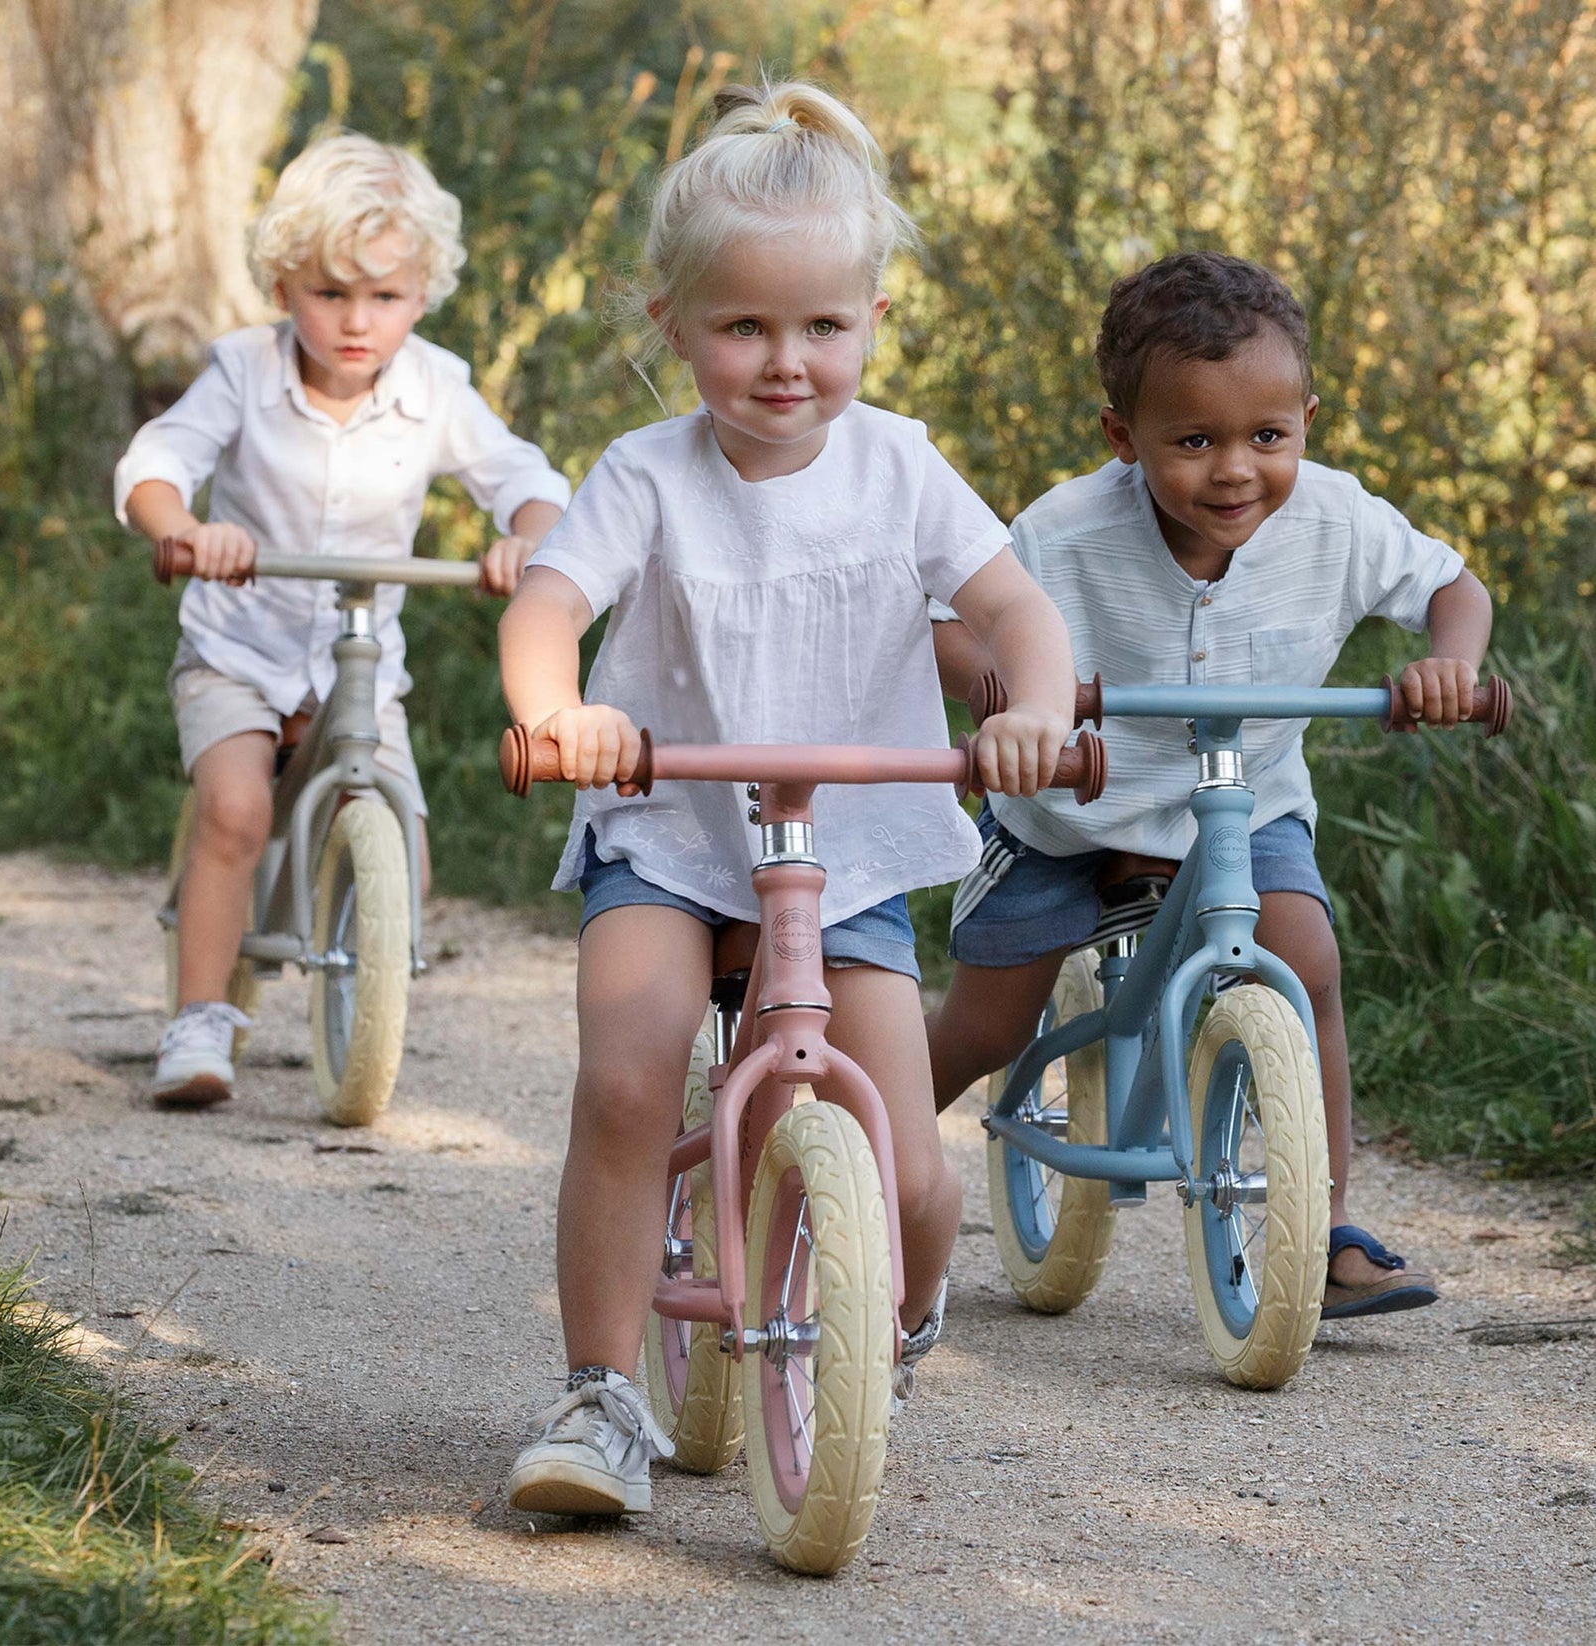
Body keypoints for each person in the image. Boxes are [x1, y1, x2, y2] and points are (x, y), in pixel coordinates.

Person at [497, 81, 1077, 1517]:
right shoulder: (647, 473)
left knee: (910, 1170)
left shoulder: (903, 465)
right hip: (671, 831)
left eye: (821, 326)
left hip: (852, 849)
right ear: (671, 323)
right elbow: (548, 599)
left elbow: (1015, 608)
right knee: (630, 1077)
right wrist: (555, 712)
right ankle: (599, 1395)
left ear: (872, 318)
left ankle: (893, 1308)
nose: (783, 361)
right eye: (741, 327)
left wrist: (1037, 708)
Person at [925, 250, 1493, 1320]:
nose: (1233, 469)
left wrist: (1446, 664)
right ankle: (860, 1165)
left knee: (1306, 959)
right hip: (1068, 809)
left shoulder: (1334, 520)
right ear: (1119, 438)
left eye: (1265, 436)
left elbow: (1451, 586)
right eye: (1192, 440)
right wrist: (1003, 704)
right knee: (989, 1022)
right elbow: (958, 626)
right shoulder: (1063, 531)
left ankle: (1321, 1227)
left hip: (1244, 803)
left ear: (1306, 421)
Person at [116, 133, 569, 1108]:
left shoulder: (434, 387)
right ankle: (199, 1017)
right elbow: (156, 460)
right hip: (237, 650)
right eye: (329, 294)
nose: (356, 322)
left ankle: (368, 992)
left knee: (402, 832)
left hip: (361, 663)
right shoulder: (242, 372)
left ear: (421, 293)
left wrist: (523, 540)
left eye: (384, 297)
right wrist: (186, 527)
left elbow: (526, 479)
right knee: (235, 811)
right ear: (282, 285)